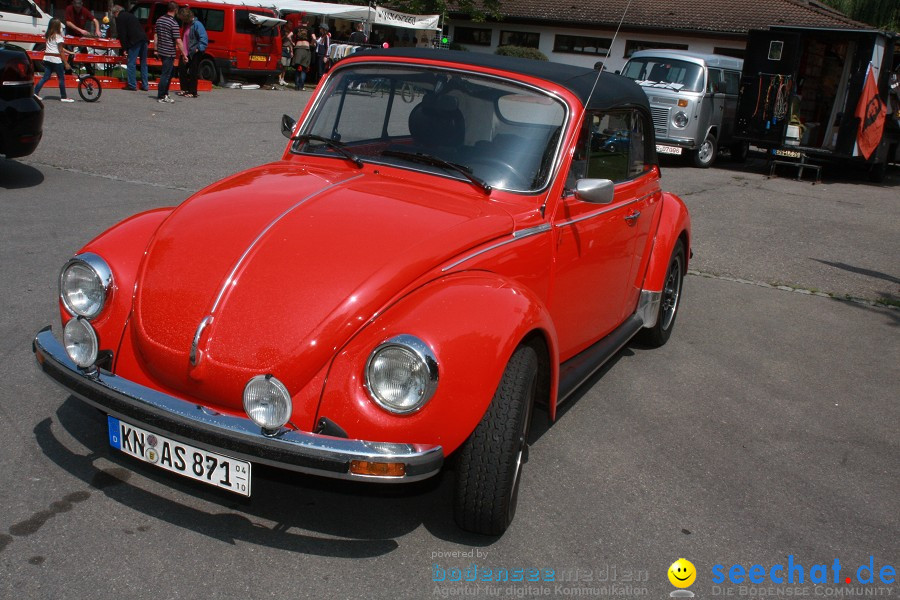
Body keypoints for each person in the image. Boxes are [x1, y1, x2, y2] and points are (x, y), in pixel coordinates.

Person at [153, 1, 187, 104]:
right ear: (175, 10)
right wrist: (184, 54)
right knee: (166, 75)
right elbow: (178, 40)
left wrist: (155, 49)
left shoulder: (159, 20)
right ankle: (162, 95)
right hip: (169, 51)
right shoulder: (173, 23)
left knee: (168, 73)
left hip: (161, 50)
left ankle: (165, 93)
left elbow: (155, 35)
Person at [34, 19, 75, 103]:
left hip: (47, 59)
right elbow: (60, 50)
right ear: (58, 26)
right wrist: (66, 63)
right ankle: (63, 96)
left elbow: (57, 47)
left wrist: (69, 52)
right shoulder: (59, 37)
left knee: (45, 77)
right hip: (56, 59)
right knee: (61, 78)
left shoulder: (49, 35)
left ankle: (35, 92)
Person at [112, 4, 148, 91]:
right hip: (144, 39)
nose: (114, 16)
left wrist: (124, 48)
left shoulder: (120, 18)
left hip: (134, 41)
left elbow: (122, 34)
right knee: (143, 63)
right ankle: (145, 85)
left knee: (131, 63)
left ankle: (132, 85)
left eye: (114, 14)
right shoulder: (131, 15)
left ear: (116, 12)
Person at [177, 7, 206, 98]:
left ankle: (193, 91)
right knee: (182, 70)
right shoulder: (186, 25)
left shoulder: (197, 24)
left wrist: (199, 48)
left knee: (193, 71)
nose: (181, 20)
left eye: (182, 18)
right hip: (185, 51)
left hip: (194, 51)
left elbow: (203, 37)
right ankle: (184, 89)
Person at [65, 0, 100, 75]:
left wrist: (97, 30)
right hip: (70, 34)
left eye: (79, 6)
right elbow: (68, 22)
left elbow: (95, 20)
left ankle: (90, 71)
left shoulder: (85, 11)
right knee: (70, 52)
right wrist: (80, 30)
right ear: (73, 4)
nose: (78, 8)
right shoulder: (69, 9)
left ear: (81, 4)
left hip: (80, 36)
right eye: (76, 6)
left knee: (84, 51)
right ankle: (68, 72)